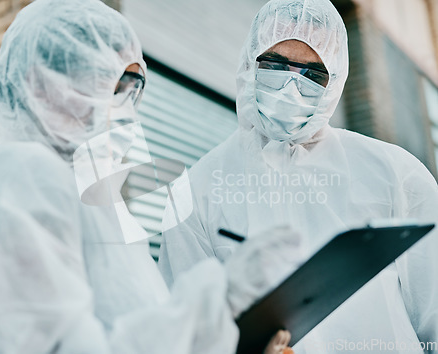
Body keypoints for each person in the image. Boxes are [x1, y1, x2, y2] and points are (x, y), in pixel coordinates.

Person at [0, 0, 294, 353]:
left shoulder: (102, 210)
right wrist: (218, 303)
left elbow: (137, 332)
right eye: (108, 82)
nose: (124, 108)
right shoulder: (17, 174)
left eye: (133, 89)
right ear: (40, 85)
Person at [159, 0, 438, 353]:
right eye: (275, 65)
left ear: (335, 81)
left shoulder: (395, 174)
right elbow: (185, 331)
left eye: (312, 74)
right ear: (250, 62)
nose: (291, 87)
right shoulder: (196, 191)